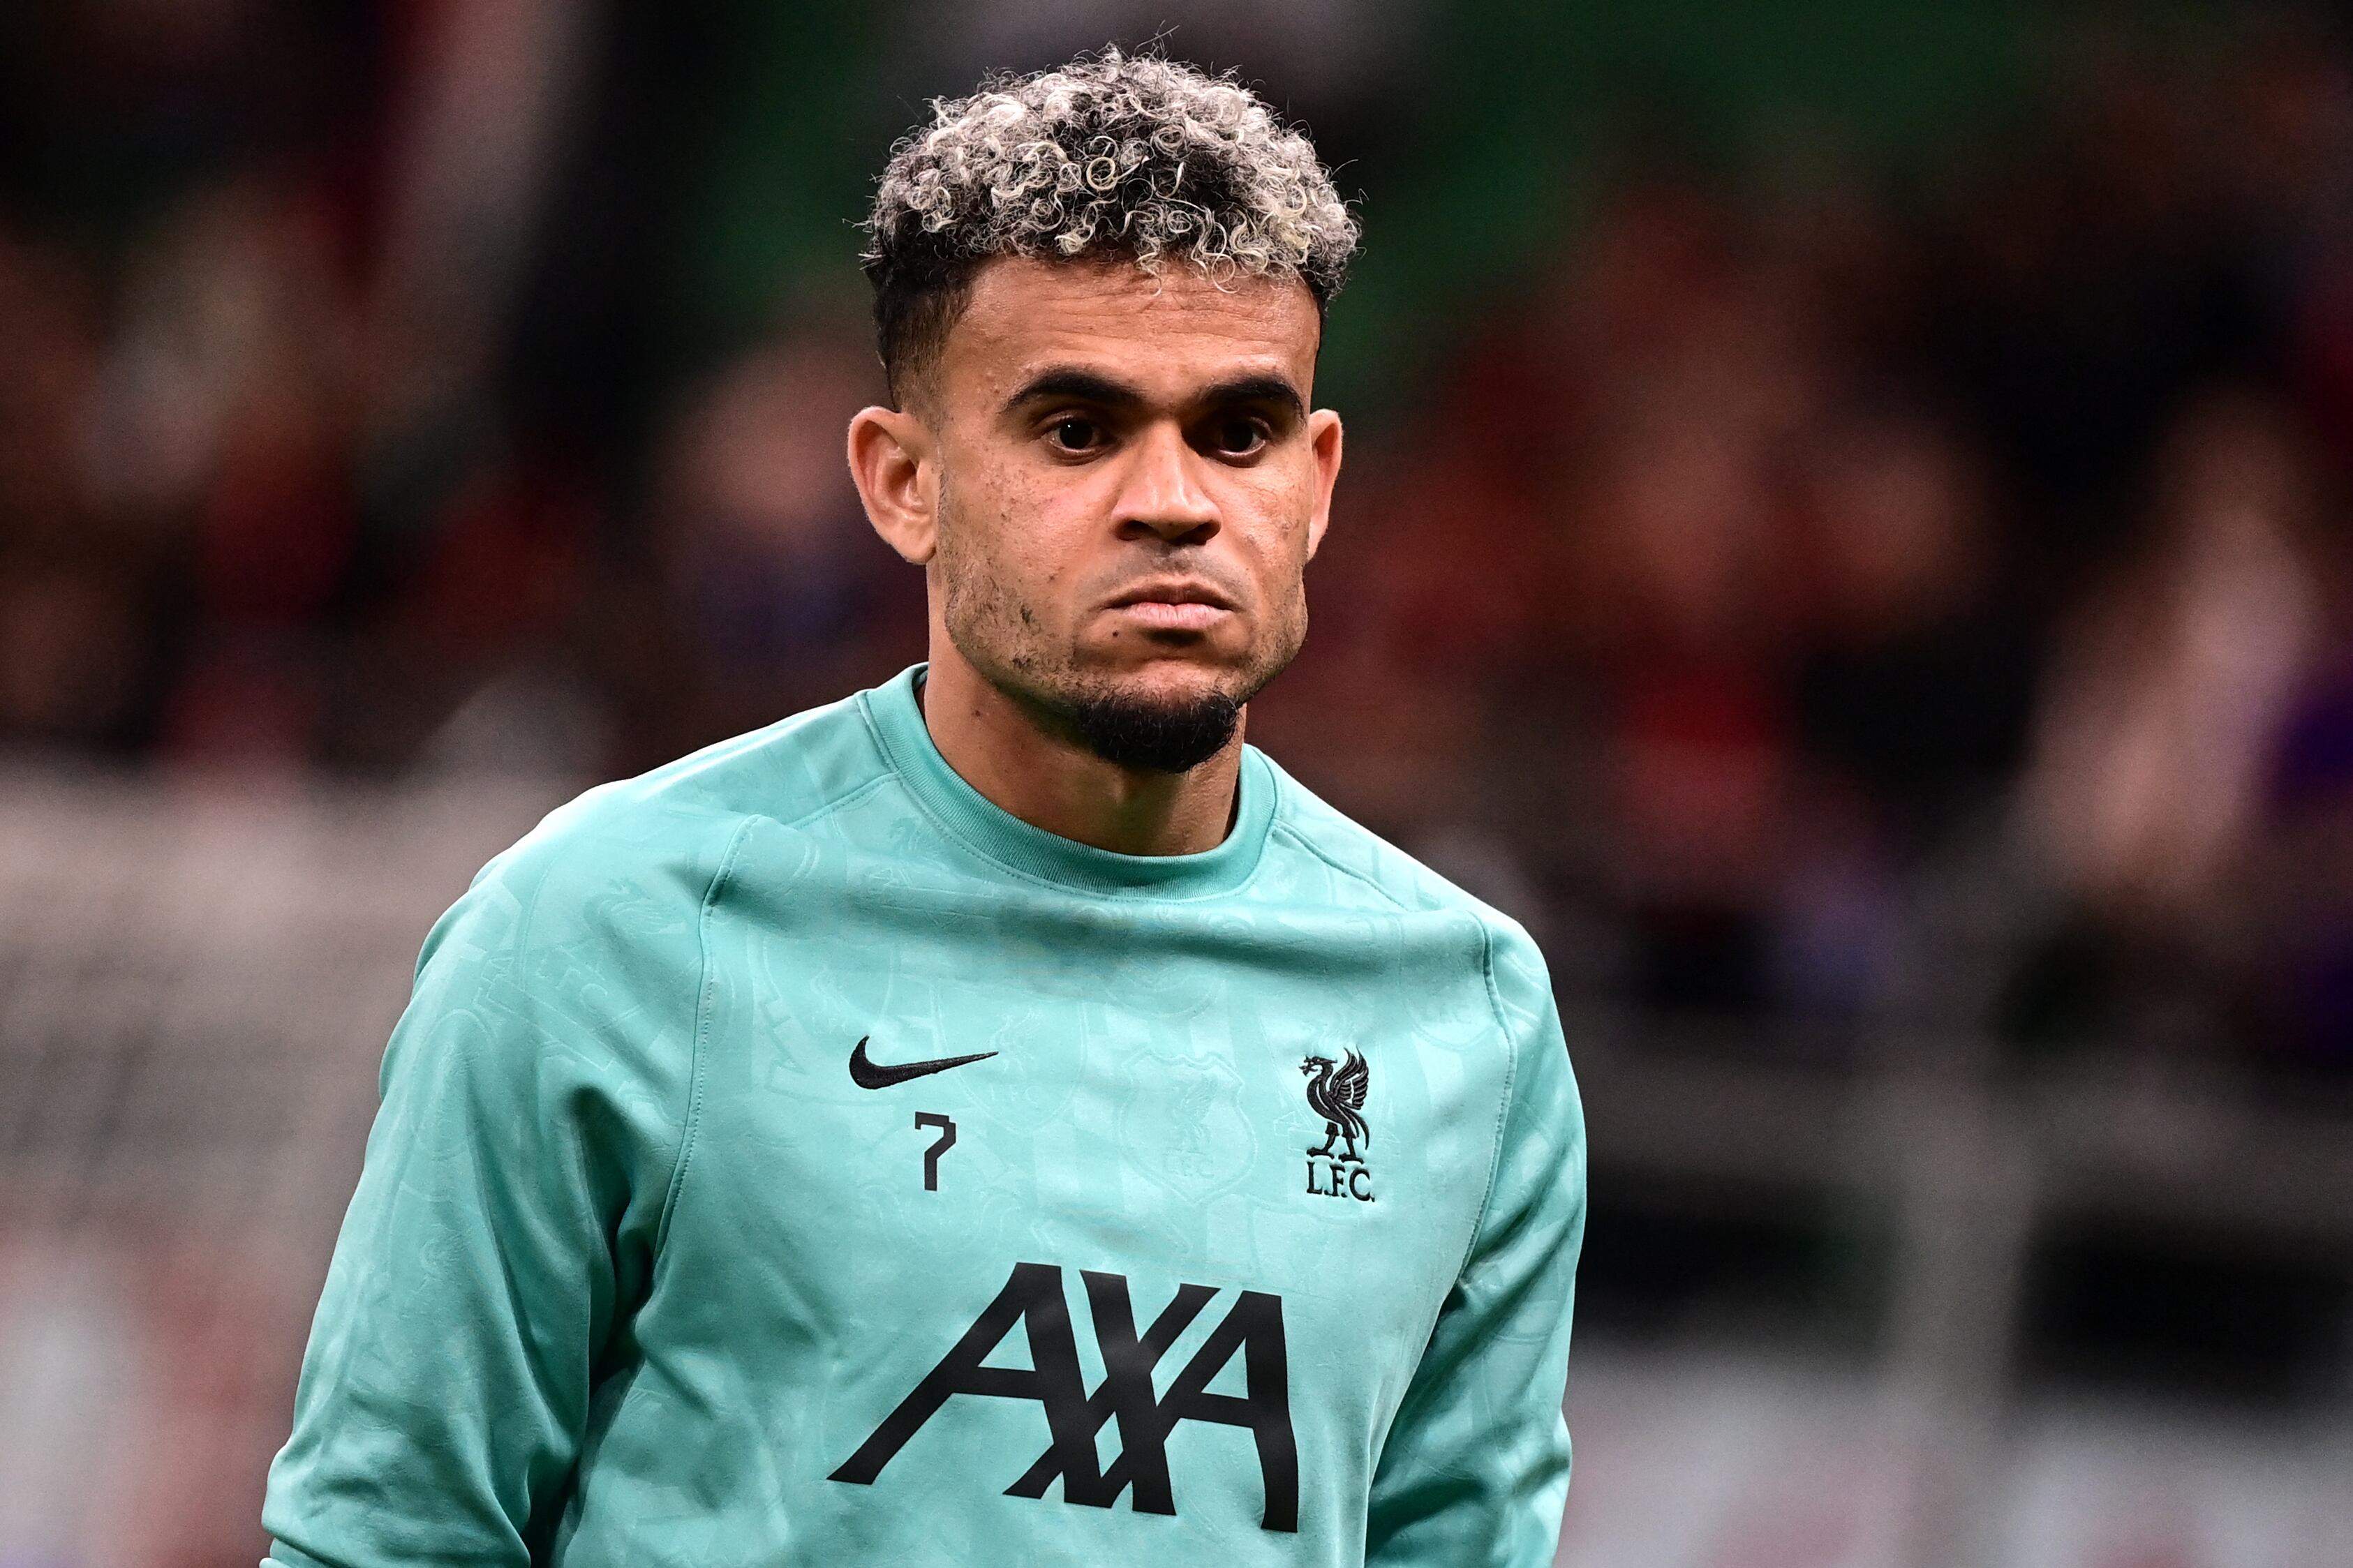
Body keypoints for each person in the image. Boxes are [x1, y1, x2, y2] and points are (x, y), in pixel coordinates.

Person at [262, 50, 1585, 1567]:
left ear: (1320, 477)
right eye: (1077, 429)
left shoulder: (1466, 1018)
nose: (1176, 499)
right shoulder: (609, 930)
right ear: (904, 483)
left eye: (1238, 429)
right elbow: (385, 1537)